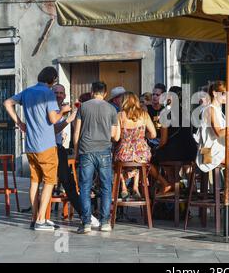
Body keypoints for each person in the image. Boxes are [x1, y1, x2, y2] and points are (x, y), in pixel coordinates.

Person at [4, 66, 71, 231]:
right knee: (49, 182)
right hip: (46, 145)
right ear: (53, 79)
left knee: (34, 181)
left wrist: (19, 122)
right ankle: (41, 219)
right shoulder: (48, 93)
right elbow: (53, 119)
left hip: (31, 145)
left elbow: (7, 103)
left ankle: (35, 218)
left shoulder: (27, 92)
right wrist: (63, 110)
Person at [73, 81, 118, 234]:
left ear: (92, 91)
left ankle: (86, 223)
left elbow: (76, 133)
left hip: (86, 151)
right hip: (104, 150)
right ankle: (105, 222)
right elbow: (114, 135)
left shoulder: (83, 107)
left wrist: (76, 152)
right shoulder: (112, 109)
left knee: (85, 187)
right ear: (105, 93)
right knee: (106, 187)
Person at [52, 84, 100, 227]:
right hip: (51, 150)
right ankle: (86, 216)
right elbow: (53, 129)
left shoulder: (60, 110)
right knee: (67, 183)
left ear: (65, 95)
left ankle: (86, 215)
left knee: (69, 183)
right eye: (56, 92)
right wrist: (68, 119)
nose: (59, 95)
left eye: (61, 93)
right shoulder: (53, 109)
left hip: (59, 148)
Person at [113, 92, 169, 199]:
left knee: (116, 162)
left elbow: (116, 138)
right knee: (140, 161)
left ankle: (124, 187)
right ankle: (135, 187)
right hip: (142, 152)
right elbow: (153, 134)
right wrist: (143, 135)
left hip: (124, 153)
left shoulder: (120, 115)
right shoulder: (144, 114)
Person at [150, 86, 197, 194]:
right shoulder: (188, 113)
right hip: (190, 151)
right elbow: (193, 131)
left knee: (151, 160)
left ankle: (168, 183)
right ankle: (180, 185)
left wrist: (156, 148)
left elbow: (163, 141)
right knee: (166, 157)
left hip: (175, 151)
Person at [147, 83, 166, 148]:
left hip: (162, 142)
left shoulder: (165, 111)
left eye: (157, 95)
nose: (154, 96)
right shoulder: (146, 109)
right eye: (153, 94)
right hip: (148, 141)